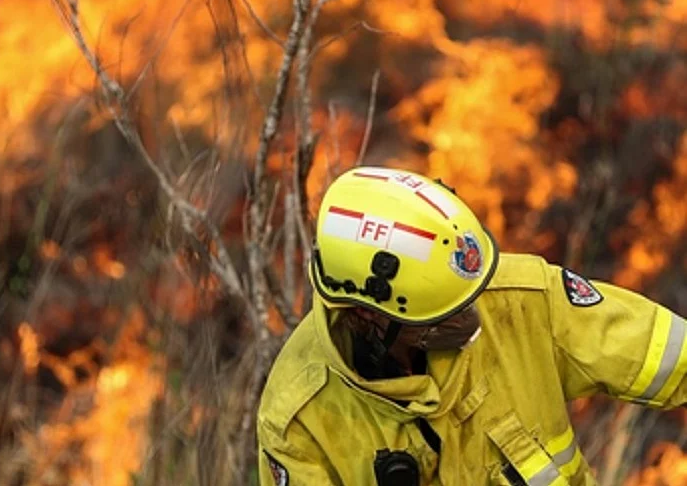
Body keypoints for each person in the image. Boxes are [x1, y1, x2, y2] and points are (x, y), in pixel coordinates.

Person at [256, 166, 687, 486]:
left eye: (469, 297)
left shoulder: (524, 301)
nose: (473, 318)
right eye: (444, 316)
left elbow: (669, 352)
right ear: (366, 317)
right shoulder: (299, 421)